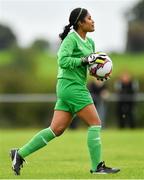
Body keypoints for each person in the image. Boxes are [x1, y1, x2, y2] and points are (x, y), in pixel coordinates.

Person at [10, 8, 120, 175]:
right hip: (71, 86)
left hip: (72, 86)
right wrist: (85, 59)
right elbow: (63, 60)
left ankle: (20, 153)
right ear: (80, 23)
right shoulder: (71, 39)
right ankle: (97, 167)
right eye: (89, 18)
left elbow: (88, 65)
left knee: (56, 129)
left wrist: (98, 73)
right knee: (95, 123)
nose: (93, 21)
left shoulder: (90, 43)